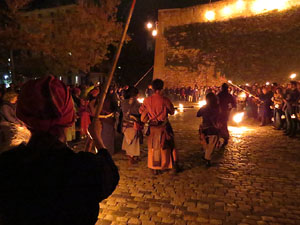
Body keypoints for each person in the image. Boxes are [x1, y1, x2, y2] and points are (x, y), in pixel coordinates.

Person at [0, 76, 119, 225]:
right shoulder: (83, 168)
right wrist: (97, 139)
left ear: (23, 115)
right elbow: (110, 175)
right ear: (68, 116)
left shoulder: (6, 165)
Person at [139, 79, 180, 175]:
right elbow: (172, 111)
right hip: (163, 127)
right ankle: (171, 165)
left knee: (153, 147)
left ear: (152, 88)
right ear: (162, 88)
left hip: (152, 127)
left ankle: (154, 167)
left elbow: (141, 111)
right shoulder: (165, 100)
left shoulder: (147, 100)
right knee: (169, 145)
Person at [197, 92, 220, 167]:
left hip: (205, 128)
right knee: (211, 144)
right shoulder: (217, 107)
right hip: (213, 128)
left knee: (207, 144)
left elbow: (198, 114)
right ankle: (207, 158)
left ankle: (206, 156)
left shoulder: (205, 107)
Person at [121, 87, 143, 165]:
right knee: (133, 141)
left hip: (125, 125)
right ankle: (132, 157)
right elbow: (140, 113)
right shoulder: (137, 103)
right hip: (133, 125)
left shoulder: (123, 102)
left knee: (128, 140)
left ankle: (130, 156)